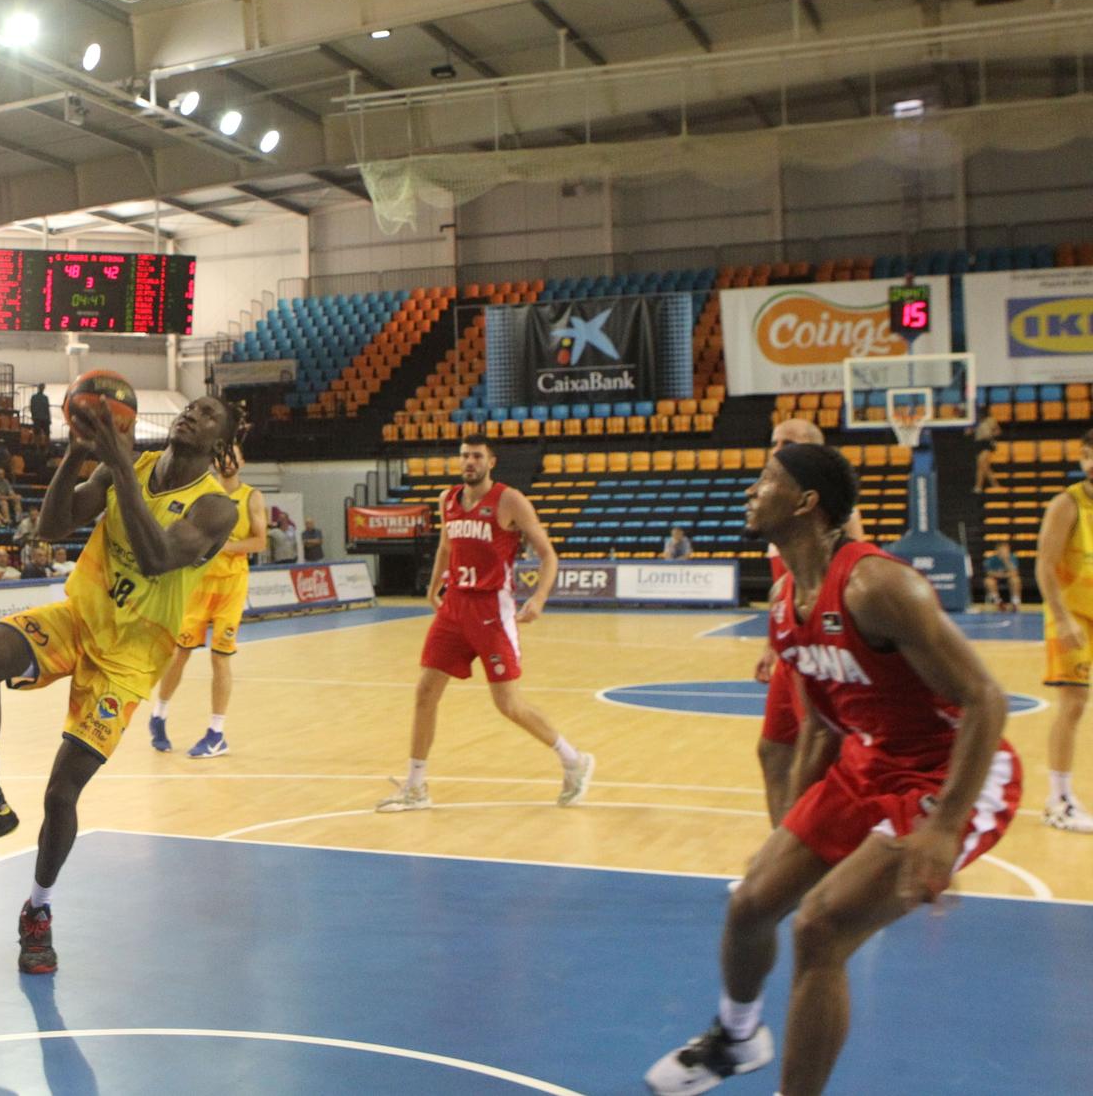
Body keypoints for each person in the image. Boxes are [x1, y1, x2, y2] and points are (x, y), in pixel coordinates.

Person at [644, 443, 1020, 1095]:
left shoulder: (878, 586)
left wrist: (942, 829)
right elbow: (821, 723)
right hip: (870, 761)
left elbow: (987, 698)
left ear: (806, 501)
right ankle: (737, 1036)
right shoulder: (788, 600)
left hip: (950, 770)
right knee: (752, 901)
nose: (751, 491)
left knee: (819, 927)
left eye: (765, 481)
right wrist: (790, 824)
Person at [0, 395, 242, 973]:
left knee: (60, 793)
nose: (191, 416)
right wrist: (75, 457)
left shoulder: (216, 508)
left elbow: (155, 558)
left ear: (219, 442)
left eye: (205, 416)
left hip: (131, 658)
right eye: (190, 408)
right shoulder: (129, 466)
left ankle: (38, 911)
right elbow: (52, 527)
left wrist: (120, 466)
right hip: (79, 617)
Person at [376, 433, 591, 813]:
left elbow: (548, 555)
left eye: (476, 456)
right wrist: (434, 586)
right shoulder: (448, 499)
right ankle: (416, 786)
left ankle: (573, 760)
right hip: (455, 605)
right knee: (425, 692)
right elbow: (446, 545)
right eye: (464, 456)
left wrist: (538, 599)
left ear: (491, 462)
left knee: (507, 704)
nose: (469, 462)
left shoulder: (509, 501)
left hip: (492, 608)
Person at [755, 419, 870, 828]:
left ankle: (818, 849)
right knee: (773, 750)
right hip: (793, 643)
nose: (777, 448)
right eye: (775, 442)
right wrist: (773, 642)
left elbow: (847, 566)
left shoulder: (837, 512)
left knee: (820, 748)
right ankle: (781, 850)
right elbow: (785, 588)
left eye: (788, 442)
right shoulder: (776, 506)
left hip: (823, 646)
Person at [150, 445, 265, 759]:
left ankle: (216, 733)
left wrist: (225, 547)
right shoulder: (203, 494)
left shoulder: (251, 497)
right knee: (180, 652)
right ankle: (158, 716)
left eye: (233, 456)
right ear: (215, 462)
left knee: (220, 657)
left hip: (231, 585)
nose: (228, 461)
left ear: (242, 461)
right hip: (198, 582)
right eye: (223, 456)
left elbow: (259, 540)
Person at [1034, 426, 1093, 834]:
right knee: (1073, 703)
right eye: (1089, 454)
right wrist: (1064, 617)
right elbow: (1044, 566)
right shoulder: (1066, 504)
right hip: (1070, 615)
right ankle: (1058, 800)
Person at [981, 539, 1022, 612]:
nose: (1003, 552)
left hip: (1008, 578)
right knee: (988, 581)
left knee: (1016, 580)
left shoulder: (1013, 558)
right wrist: (1005, 575)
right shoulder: (991, 559)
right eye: (1001, 550)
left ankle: (1015, 603)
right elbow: (989, 573)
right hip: (996, 579)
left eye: (1005, 550)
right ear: (997, 551)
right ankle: (999, 603)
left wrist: (1006, 560)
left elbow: (1015, 572)